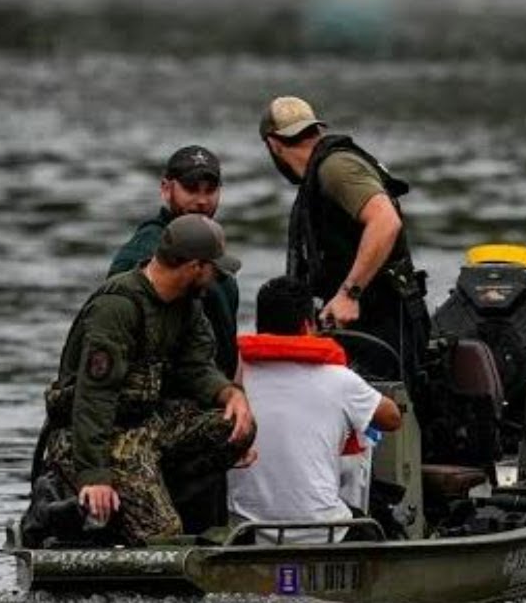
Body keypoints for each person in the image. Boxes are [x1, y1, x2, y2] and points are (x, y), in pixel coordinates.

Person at [29, 215, 255, 546]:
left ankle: (144, 492)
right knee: (163, 535)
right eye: (214, 269)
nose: (217, 279)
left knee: (236, 429)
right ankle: (72, 509)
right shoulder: (118, 307)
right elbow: (95, 396)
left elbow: (196, 367)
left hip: (148, 425)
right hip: (101, 437)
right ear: (194, 267)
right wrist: (95, 475)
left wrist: (229, 394)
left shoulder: (187, 306)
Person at [108, 144, 240, 533]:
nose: (201, 200)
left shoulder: (212, 254)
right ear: (166, 189)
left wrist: (235, 398)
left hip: (204, 413)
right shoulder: (145, 258)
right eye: (190, 189)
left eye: (209, 190)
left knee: (208, 524)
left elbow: (222, 345)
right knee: (178, 530)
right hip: (160, 421)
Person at [260, 96, 430, 386]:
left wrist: (349, 294)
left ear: (273, 144)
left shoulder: (335, 168)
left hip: (385, 324)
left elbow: (385, 222)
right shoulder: (320, 172)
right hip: (365, 324)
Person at [228, 276, 401, 543]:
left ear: (259, 326)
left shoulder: (234, 379)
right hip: (323, 532)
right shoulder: (339, 379)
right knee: (379, 526)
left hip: (246, 533)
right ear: (307, 325)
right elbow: (392, 418)